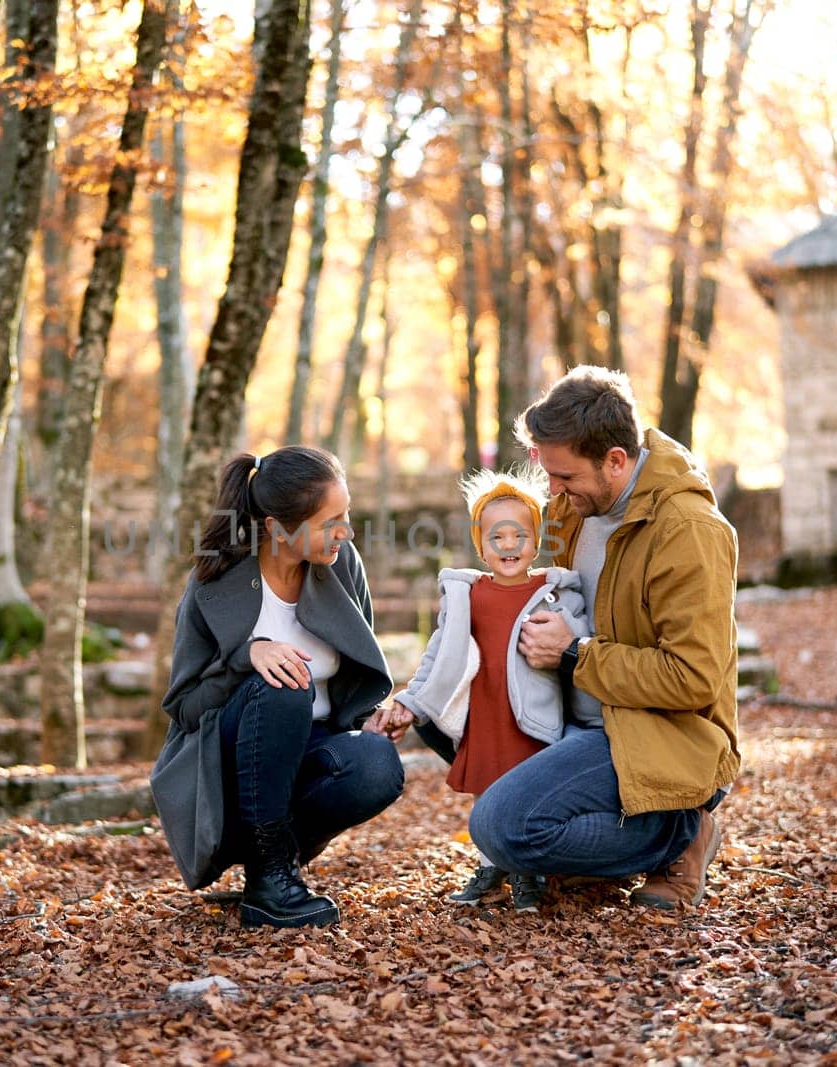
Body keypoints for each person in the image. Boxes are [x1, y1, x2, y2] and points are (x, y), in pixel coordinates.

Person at [464, 366, 740, 912]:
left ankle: (683, 829)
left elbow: (693, 679)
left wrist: (573, 653)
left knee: (502, 828)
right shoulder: (579, 505)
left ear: (615, 459)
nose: (551, 492)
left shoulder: (687, 531)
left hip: (658, 734)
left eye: (563, 476)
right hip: (580, 723)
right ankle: (607, 842)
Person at [150, 446, 405, 929]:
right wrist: (249, 655)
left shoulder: (342, 564)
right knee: (286, 685)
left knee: (377, 766)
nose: (345, 531)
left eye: (345, 514)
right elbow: (183, 709)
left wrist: (369, 717)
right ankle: (268, 878)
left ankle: (277, 859)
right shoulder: (214, 580)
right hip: (225, 765)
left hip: (307, 749)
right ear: (278, 527)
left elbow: (354, 672)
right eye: (330, 520)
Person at [373, 469, 600, 914]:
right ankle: (491, 867)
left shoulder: (554, 594)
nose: (509, 545)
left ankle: (527, 873)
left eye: (520, 535)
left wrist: (570, 631)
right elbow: (439, 653)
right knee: (487, 789)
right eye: (497, 536)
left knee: (525, 788)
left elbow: (578, 640)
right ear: (480, 544)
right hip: (485, 710)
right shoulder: (468, 595)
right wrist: (411, 700)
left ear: (537, 540)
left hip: (532, 716)